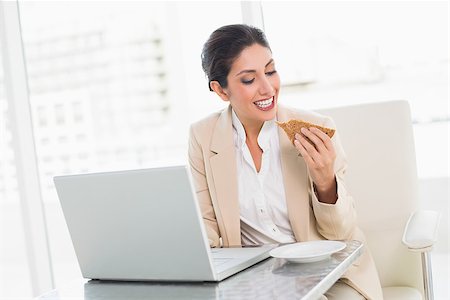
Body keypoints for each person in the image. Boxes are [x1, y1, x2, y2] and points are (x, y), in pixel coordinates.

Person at [188, 24, 383, 300]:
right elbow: (205, 227)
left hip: (328, 276)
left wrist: (325, 179)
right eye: (248, 79)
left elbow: (341, 234)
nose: (268, 88)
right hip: (253, 283)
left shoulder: (317, 128)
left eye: (270, 71)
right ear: (220, 90)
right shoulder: (202, 136)